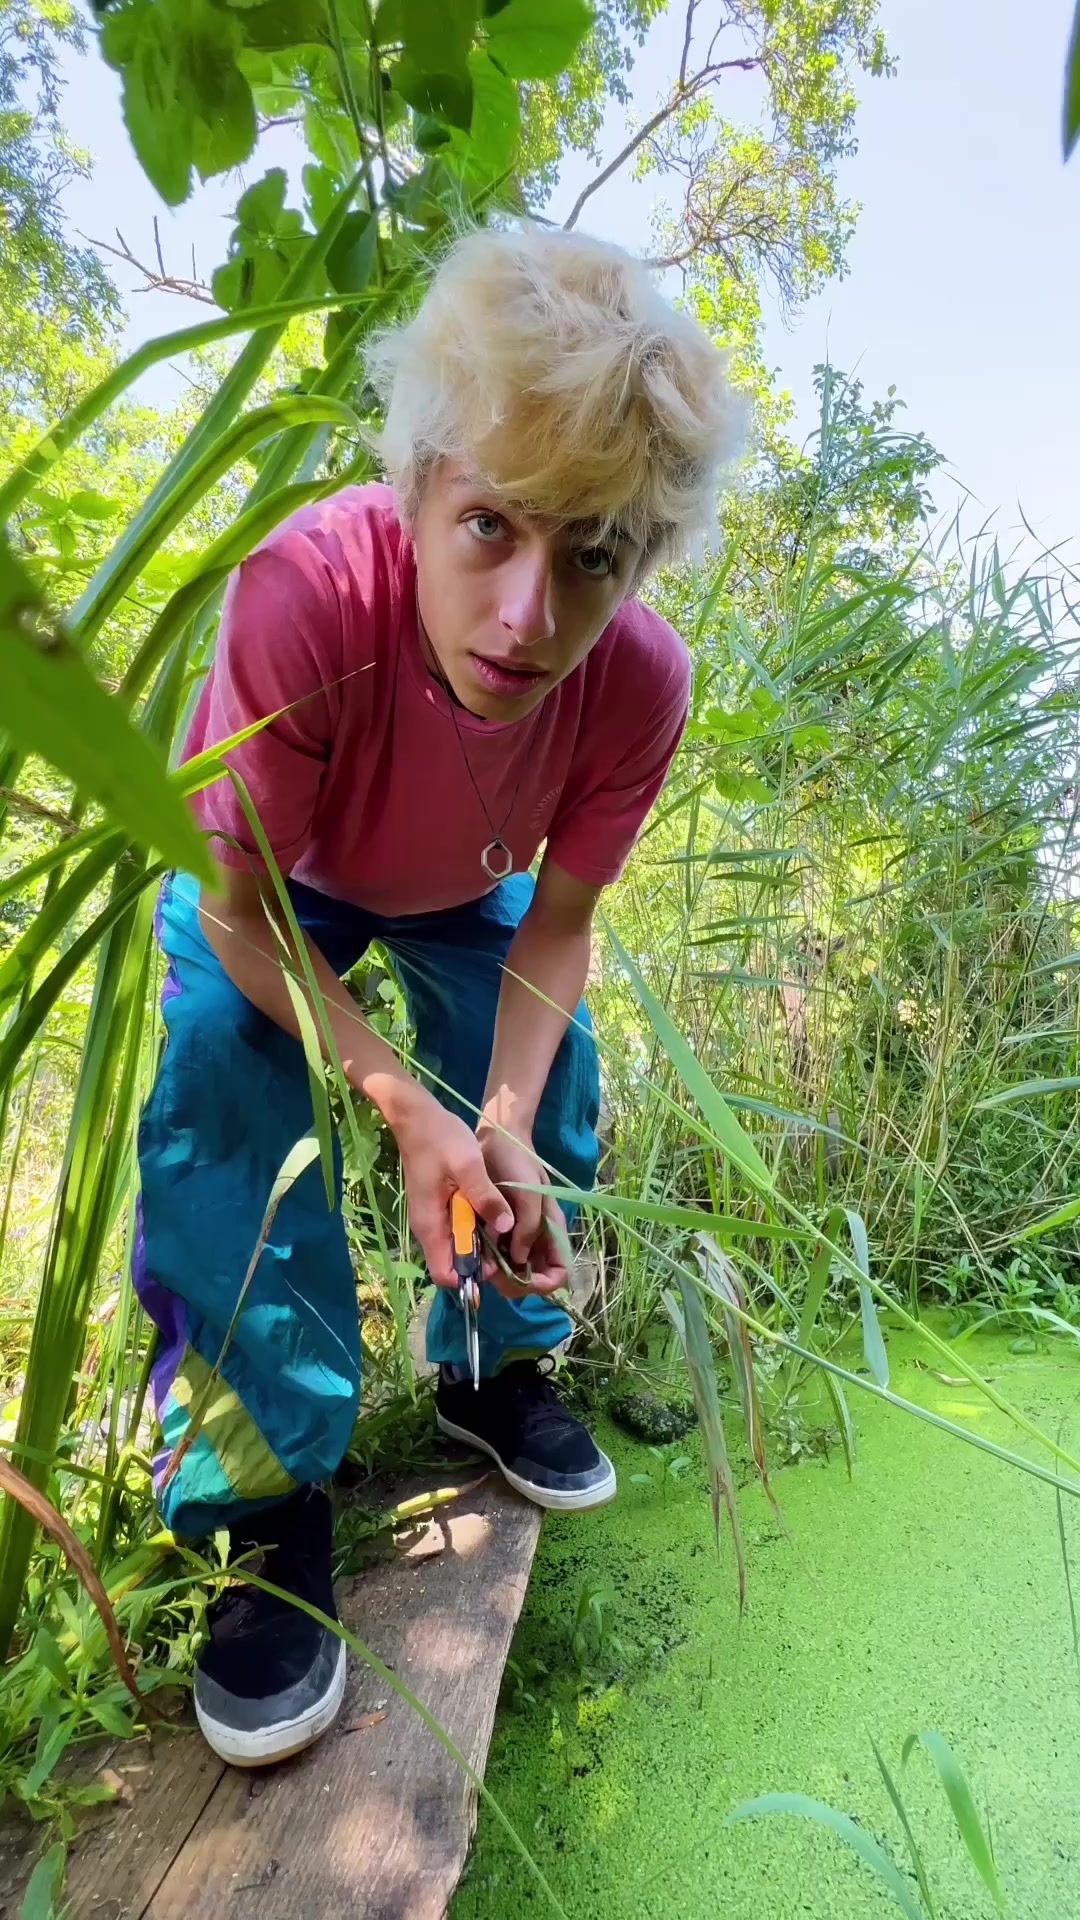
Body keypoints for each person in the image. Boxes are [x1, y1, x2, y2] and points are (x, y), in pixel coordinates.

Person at [134, 224, 740, 1766]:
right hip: (276, 883)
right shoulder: (306, 597)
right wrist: (401, 1105)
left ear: (641, 561)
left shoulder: (640, 684)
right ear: (413, 487)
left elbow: (559, 930)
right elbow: (240, 914)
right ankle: (258, 1499)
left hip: (466, 888)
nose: (529, 614)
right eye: (488, 526)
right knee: (220, 1072)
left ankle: (491, 1366)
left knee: (549, 1077)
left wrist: (500, 1119)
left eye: (593, 553)